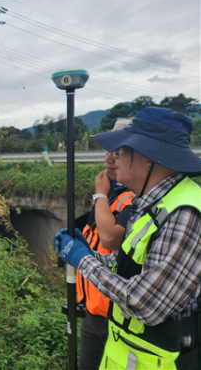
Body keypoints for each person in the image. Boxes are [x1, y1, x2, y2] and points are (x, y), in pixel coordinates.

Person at [56, 107, 201, 370]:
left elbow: (144, 302)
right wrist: (88, 254)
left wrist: (84, 261)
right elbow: (132, 262)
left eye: (122, 148)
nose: (113, 156)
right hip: (131, 354)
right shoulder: (151, 203)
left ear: (148, 156)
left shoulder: (186, 214)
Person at [75, 119, 135, 370]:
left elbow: (110, 239)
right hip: (94, 309)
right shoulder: (111, 193)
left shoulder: (135, 199)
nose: (109, 158)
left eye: (118, 151)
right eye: (107, 150)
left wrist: (99, 193)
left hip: (117, 313)